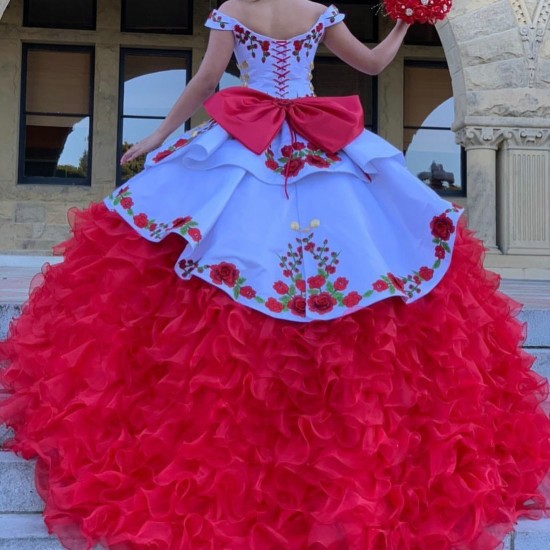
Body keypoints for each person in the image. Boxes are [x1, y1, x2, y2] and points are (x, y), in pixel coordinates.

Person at [1, 0, 549, 548]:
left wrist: (160, 138)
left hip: (244, 144)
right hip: (319, 146)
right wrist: (405, 21)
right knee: (363, 251)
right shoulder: (317, 10)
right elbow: (376, 64)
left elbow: (207, 80)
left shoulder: (234, 8)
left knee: (221, 252)